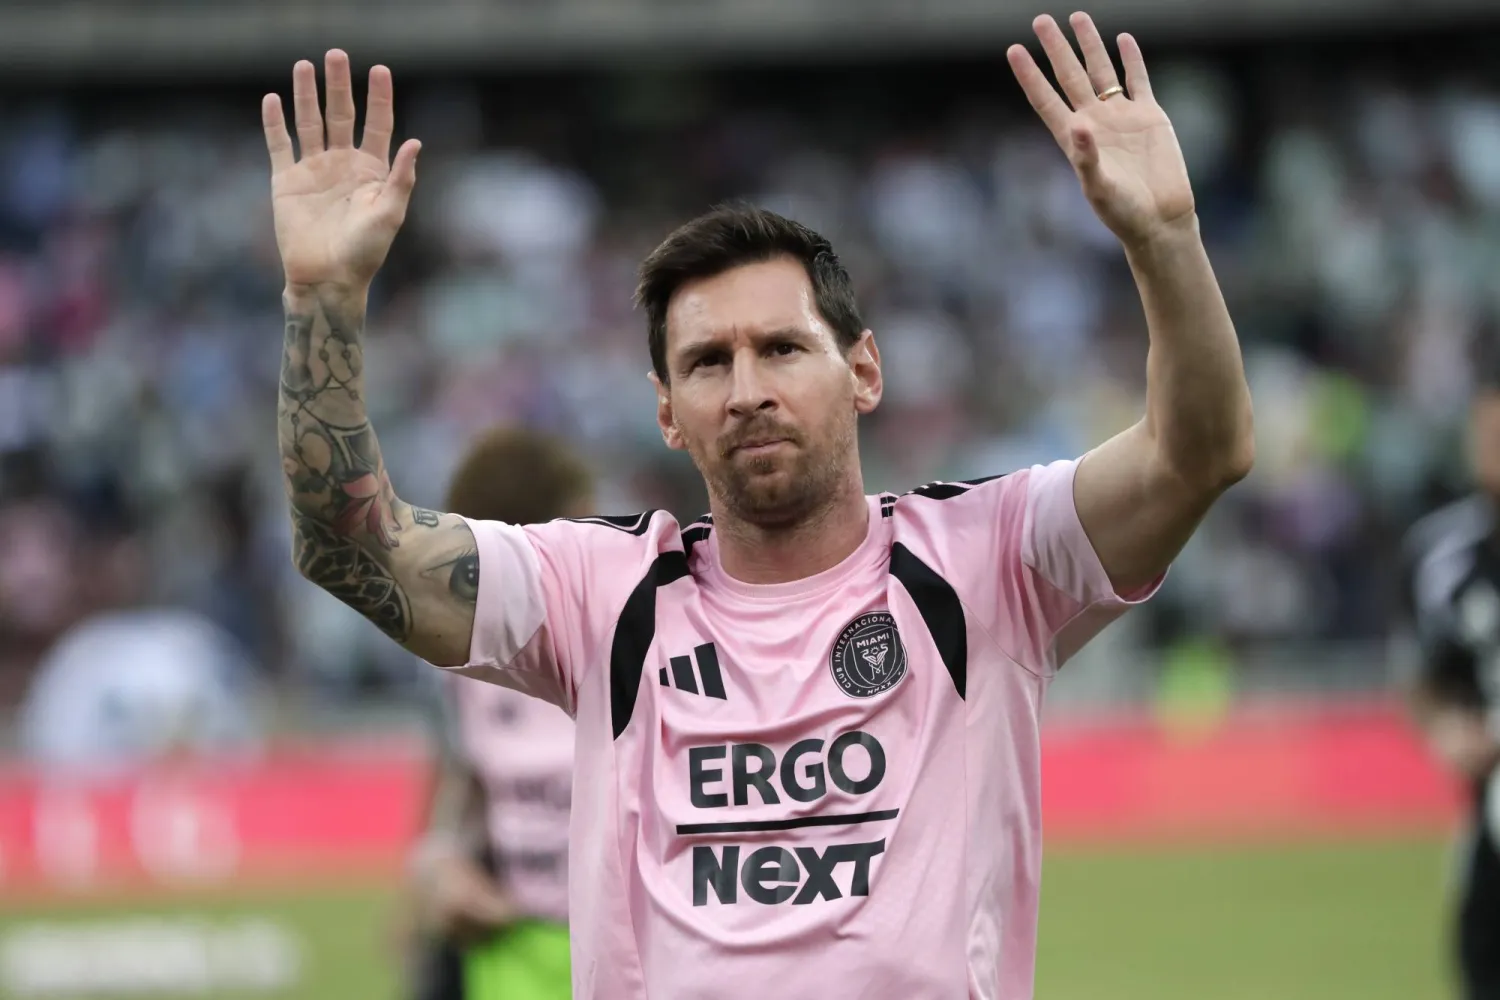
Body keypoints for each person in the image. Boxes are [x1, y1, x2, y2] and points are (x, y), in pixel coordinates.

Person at [262, 12, 1253, 999]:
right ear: (666, 411)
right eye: (707, 362)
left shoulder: (985, 557)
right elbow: (352, 547)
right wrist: (322, 302)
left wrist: (1165, 238)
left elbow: (1198, 454)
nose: (747, 391)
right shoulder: (599, 593)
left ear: (863, 370)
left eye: (782, 348)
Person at [406, 426, 593, 1000]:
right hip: (515, 952)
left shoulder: (637, 635)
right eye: (581, 517)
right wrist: (441, 869)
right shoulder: (458, 668)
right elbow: (461, 794)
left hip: (629, 947)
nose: (600, 533)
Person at [1397, 346, 1500, 1000]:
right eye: (1487, 433)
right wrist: (1448, 730)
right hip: (1489, 816)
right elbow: (1422, 674)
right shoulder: (1442, 557)